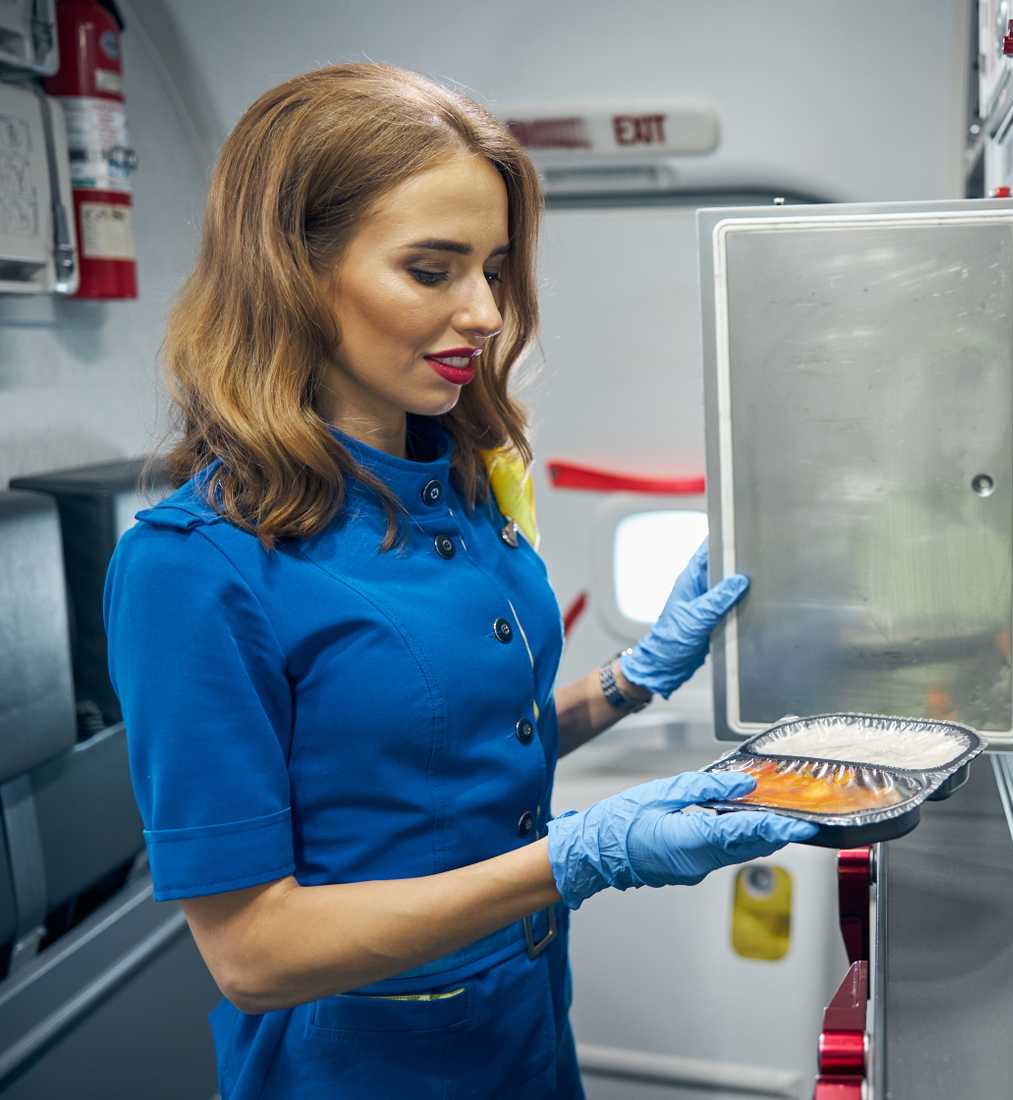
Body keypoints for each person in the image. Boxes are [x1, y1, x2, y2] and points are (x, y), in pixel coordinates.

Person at [102, 63, 814, 1099]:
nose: (485, 311)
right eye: (432, 270)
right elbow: (253, 952)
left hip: (526, 1028)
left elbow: (445, 753)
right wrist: (579, 858)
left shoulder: (461, 484)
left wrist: (633, 679)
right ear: (292, 271)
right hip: (362, 1067)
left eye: (494, 268)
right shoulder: (194, 566)